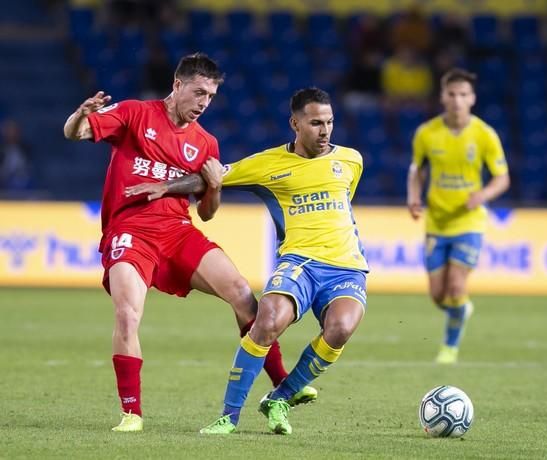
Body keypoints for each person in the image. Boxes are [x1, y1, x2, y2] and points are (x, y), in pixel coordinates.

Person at [62, 52, 312, 433]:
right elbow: (74, 132)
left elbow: (208, 212)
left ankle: (281, 384)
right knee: (128, 314)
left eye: (210, 97)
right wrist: (82, 113)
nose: (203, 104)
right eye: (198, 93)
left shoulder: (205, 142)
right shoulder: (134, 114)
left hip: (178, 233)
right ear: (177, 85)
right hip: (130, 231)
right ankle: (132, 413)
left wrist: (214, 184)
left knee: (243, 293)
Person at [125, 87, 368, 435]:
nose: (325, 130)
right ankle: (229, 415)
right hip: (299, 262)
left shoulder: (351, 160)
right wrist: (166, 188)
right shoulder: (267, 164)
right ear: (295, 123)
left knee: (341, 328)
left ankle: (280, 398)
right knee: (267, 321)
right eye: (316, 123)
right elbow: (214, 177)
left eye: (329, 122)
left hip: (346, 266)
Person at [407, 69, 510, 364]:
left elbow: (502, 178)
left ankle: (449, 348)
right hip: (437, 221)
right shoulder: (426, 133)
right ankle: (461, 310)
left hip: (469, 221)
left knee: (455, 286)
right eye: (451, 94)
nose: (457, 100)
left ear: (473, 98)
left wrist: (483, 195)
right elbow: (417, 170)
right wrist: (413, 198)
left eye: (463, 94)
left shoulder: (485, 135)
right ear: (442, 97)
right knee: (439, 296)